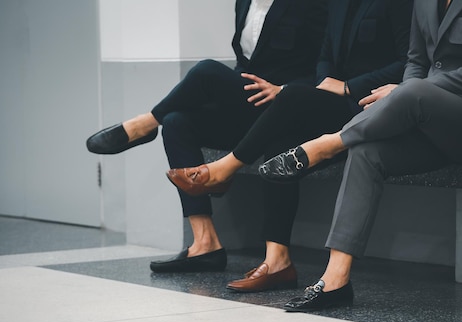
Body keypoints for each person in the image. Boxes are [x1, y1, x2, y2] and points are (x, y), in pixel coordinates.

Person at [258, 0, 462, 311]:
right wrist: (405, 92)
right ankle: (335, 279)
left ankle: (327, 144)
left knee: (412, 91)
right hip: (424, 117)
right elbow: (415, 60)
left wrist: (404, 92)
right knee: (365, 152)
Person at [167, 0, 413, 292]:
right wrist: (325, 83)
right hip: (330, 100)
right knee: (279, 139)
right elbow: (324, 55)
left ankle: (225, 168)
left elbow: (407, 64)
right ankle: (277, 260)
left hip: (368, 106)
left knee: (290, 94)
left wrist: (348, 86)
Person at [85, 0, 327, 273]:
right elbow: (245, 62)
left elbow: (327, 64)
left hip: (287, 106)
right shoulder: (244, 3)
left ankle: (145, 124)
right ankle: (205, 244)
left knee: (206, 71)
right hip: (249, 104)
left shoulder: (310, 4)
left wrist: (284, 89)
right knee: (177, 122)